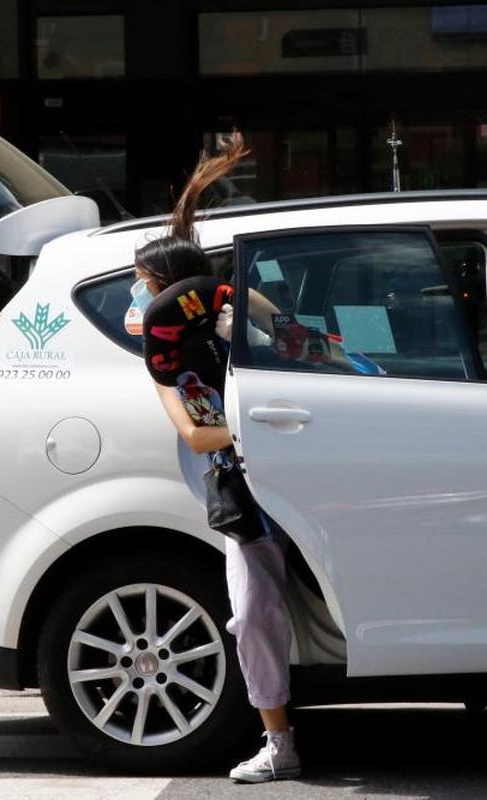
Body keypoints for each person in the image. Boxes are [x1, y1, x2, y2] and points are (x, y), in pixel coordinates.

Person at [135, 137, 301, 784]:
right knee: (254, 612)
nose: (135, 297)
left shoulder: (226, 326)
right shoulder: (168, 362)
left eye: (142, 286)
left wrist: (241, 319)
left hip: (304, 470)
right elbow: (206, 439)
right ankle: (279, 741)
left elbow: (292, 334)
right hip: (247, 492)